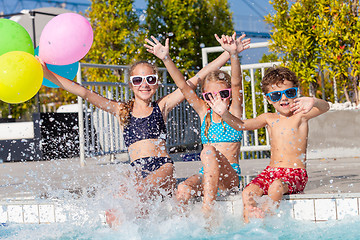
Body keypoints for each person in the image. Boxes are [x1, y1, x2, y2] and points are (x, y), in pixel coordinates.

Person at [36, 43, 234, 227]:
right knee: (113, 208)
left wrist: (229, 53)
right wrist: (47, 73)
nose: (144, 84)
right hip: (137, 169)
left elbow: (195, 79)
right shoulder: (121, 110)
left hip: (162, 168)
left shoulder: (161, 107)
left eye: (150, 79)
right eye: (138, 80)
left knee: (139, 191)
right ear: (131, 85)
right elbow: (83, 92)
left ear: (156, 84)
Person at [145, 33, 251, 217]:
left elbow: (236, 82)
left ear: (230, 94)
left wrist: (233, 55)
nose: (217, 100)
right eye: (210, 96)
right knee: (183, 188)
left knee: (208, 151)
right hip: (206, 176)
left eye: (223, 94)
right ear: (204, 97)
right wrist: (166, 58)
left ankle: (208, 211)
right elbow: (184, 87)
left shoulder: (233, 113)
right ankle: (183, 229)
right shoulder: (205, 113)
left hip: (230, 178)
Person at [206, 66, 330, 222]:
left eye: (289, 93)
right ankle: (248, 225)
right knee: (247, 192)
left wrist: (313, 101)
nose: (284, 99)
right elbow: (241, 125)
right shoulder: (268, 118)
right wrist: (224, 113)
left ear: (296, 92)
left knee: (275, 187)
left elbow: (326, 107)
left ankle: (266, 220)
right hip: (272, 171)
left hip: (295, 172)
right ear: (268, 98)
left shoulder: (301, 115)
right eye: (276, 95)